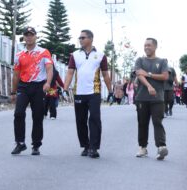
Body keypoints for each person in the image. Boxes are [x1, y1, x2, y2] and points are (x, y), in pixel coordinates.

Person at [63, 30, 113, 158]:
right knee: (80, 120)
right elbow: (69, 73)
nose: (80, 39)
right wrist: (65, 89)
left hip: (94, 92)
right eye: (79, 37)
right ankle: (85, 146)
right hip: (79, 92)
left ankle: (94, 148)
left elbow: (106, 74)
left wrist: (111, 91)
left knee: (95, 119)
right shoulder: (74, 55)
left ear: (90, 39)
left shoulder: (101, 55)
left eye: (83, 37)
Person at [11, 26, 53, 155]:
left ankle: (36, 145)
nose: (29, 37)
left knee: (38, 116)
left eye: (31, 34)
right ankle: (20, 143)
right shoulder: (19, 55)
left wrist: (48, 83)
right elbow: (16, 75)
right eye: (26, 35)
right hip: (23, 87)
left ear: (35, 36)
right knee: (18, 113)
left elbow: (49, 68)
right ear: (23, 37)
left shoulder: (43, 52)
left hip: (38, 86)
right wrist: (13, 92)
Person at [135, 38, 169, 160]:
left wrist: (148, 74)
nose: (146, 47)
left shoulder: (162, 61)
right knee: (142, 123)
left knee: (157, 122)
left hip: (158, 98)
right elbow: (139, 74)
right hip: (141, 98)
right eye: (144, 45)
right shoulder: (140, 60)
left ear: (155, 47)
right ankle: (143, 147)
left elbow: (165, 76)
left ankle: (161, 147)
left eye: (149, 45)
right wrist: (149, 85)